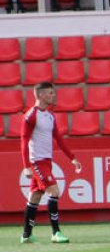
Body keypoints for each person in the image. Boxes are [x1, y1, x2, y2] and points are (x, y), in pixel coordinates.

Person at [18, 82, 83, 243]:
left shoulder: (50, 116)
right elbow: (24, 141)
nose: (53, 96)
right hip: (37, 161)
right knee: (54, 192)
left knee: (35, 196)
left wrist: (72, 158)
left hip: (47, 161)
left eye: (53, 93)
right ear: (40, 95)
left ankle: (26, 235)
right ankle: (56, 232)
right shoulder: (31, 116)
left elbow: (59, 139)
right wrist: (26, 166)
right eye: (50, 93)